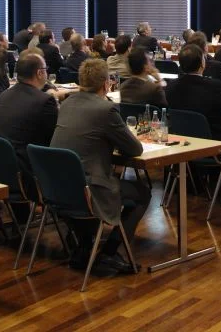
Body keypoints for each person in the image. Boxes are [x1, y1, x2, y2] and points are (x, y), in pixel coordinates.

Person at [51, 58, 148, 274]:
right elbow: (135, 149)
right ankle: (110, 253)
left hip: (58, 186)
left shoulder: (66, 104)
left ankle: (85, 246)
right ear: (106, 84)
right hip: (88, 189)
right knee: (142, 194)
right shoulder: (106, 109)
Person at [0, 53, 61, 173]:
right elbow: (56, 137)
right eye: (45, 69)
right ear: (39, 73)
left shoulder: (3, 95)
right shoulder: (44, 101)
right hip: (26, 168)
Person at [165, 44, 221, 142]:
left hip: (181, 136)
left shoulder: (171, 86)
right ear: (202, 64)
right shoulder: (215, 86)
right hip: (214, 138)